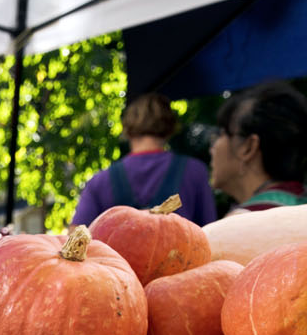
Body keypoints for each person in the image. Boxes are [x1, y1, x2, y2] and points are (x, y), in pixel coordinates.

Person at [73, 93, 216, 227]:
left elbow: (74, 237)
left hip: (113, 253)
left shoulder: (99, 182)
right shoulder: (194, 172)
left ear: (126, 127)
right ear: (170, 126)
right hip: (179, 252)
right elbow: (209, 233)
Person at [209, 79, 307, 211]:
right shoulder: (300, 204)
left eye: (221, 133)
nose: (212, 148)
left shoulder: (239, 223)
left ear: (248, 147)